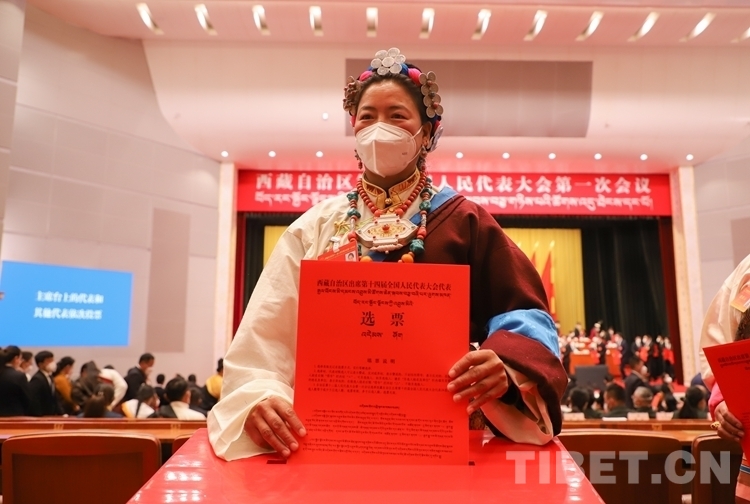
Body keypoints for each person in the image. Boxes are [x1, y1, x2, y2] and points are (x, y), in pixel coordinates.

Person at [207, 48, 567, 461]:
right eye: (367, 116)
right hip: (328, 440)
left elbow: (524, 310)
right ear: (354, 129)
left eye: (397, 116)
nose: (380, 128)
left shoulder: (464, 220)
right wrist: (260, 397)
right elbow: (266, 335)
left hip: (439, 442)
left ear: (427, 133)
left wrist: (504, 366)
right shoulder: (316, 226)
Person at [28, 350, 62, 416]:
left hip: (51, 415)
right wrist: (39, 416)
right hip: (42, 416)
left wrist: (61, 413)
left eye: (52, 360)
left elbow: (54, 398)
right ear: (40, 364)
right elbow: (35, 400)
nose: (52, 363)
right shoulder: (37, 379)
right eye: (49, 361)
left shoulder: (50, 377)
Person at [0, 346, 32, 416]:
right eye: (21, 359)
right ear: (16, 358)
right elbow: (27, 399)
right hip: (15, 415)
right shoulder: (19, 376)